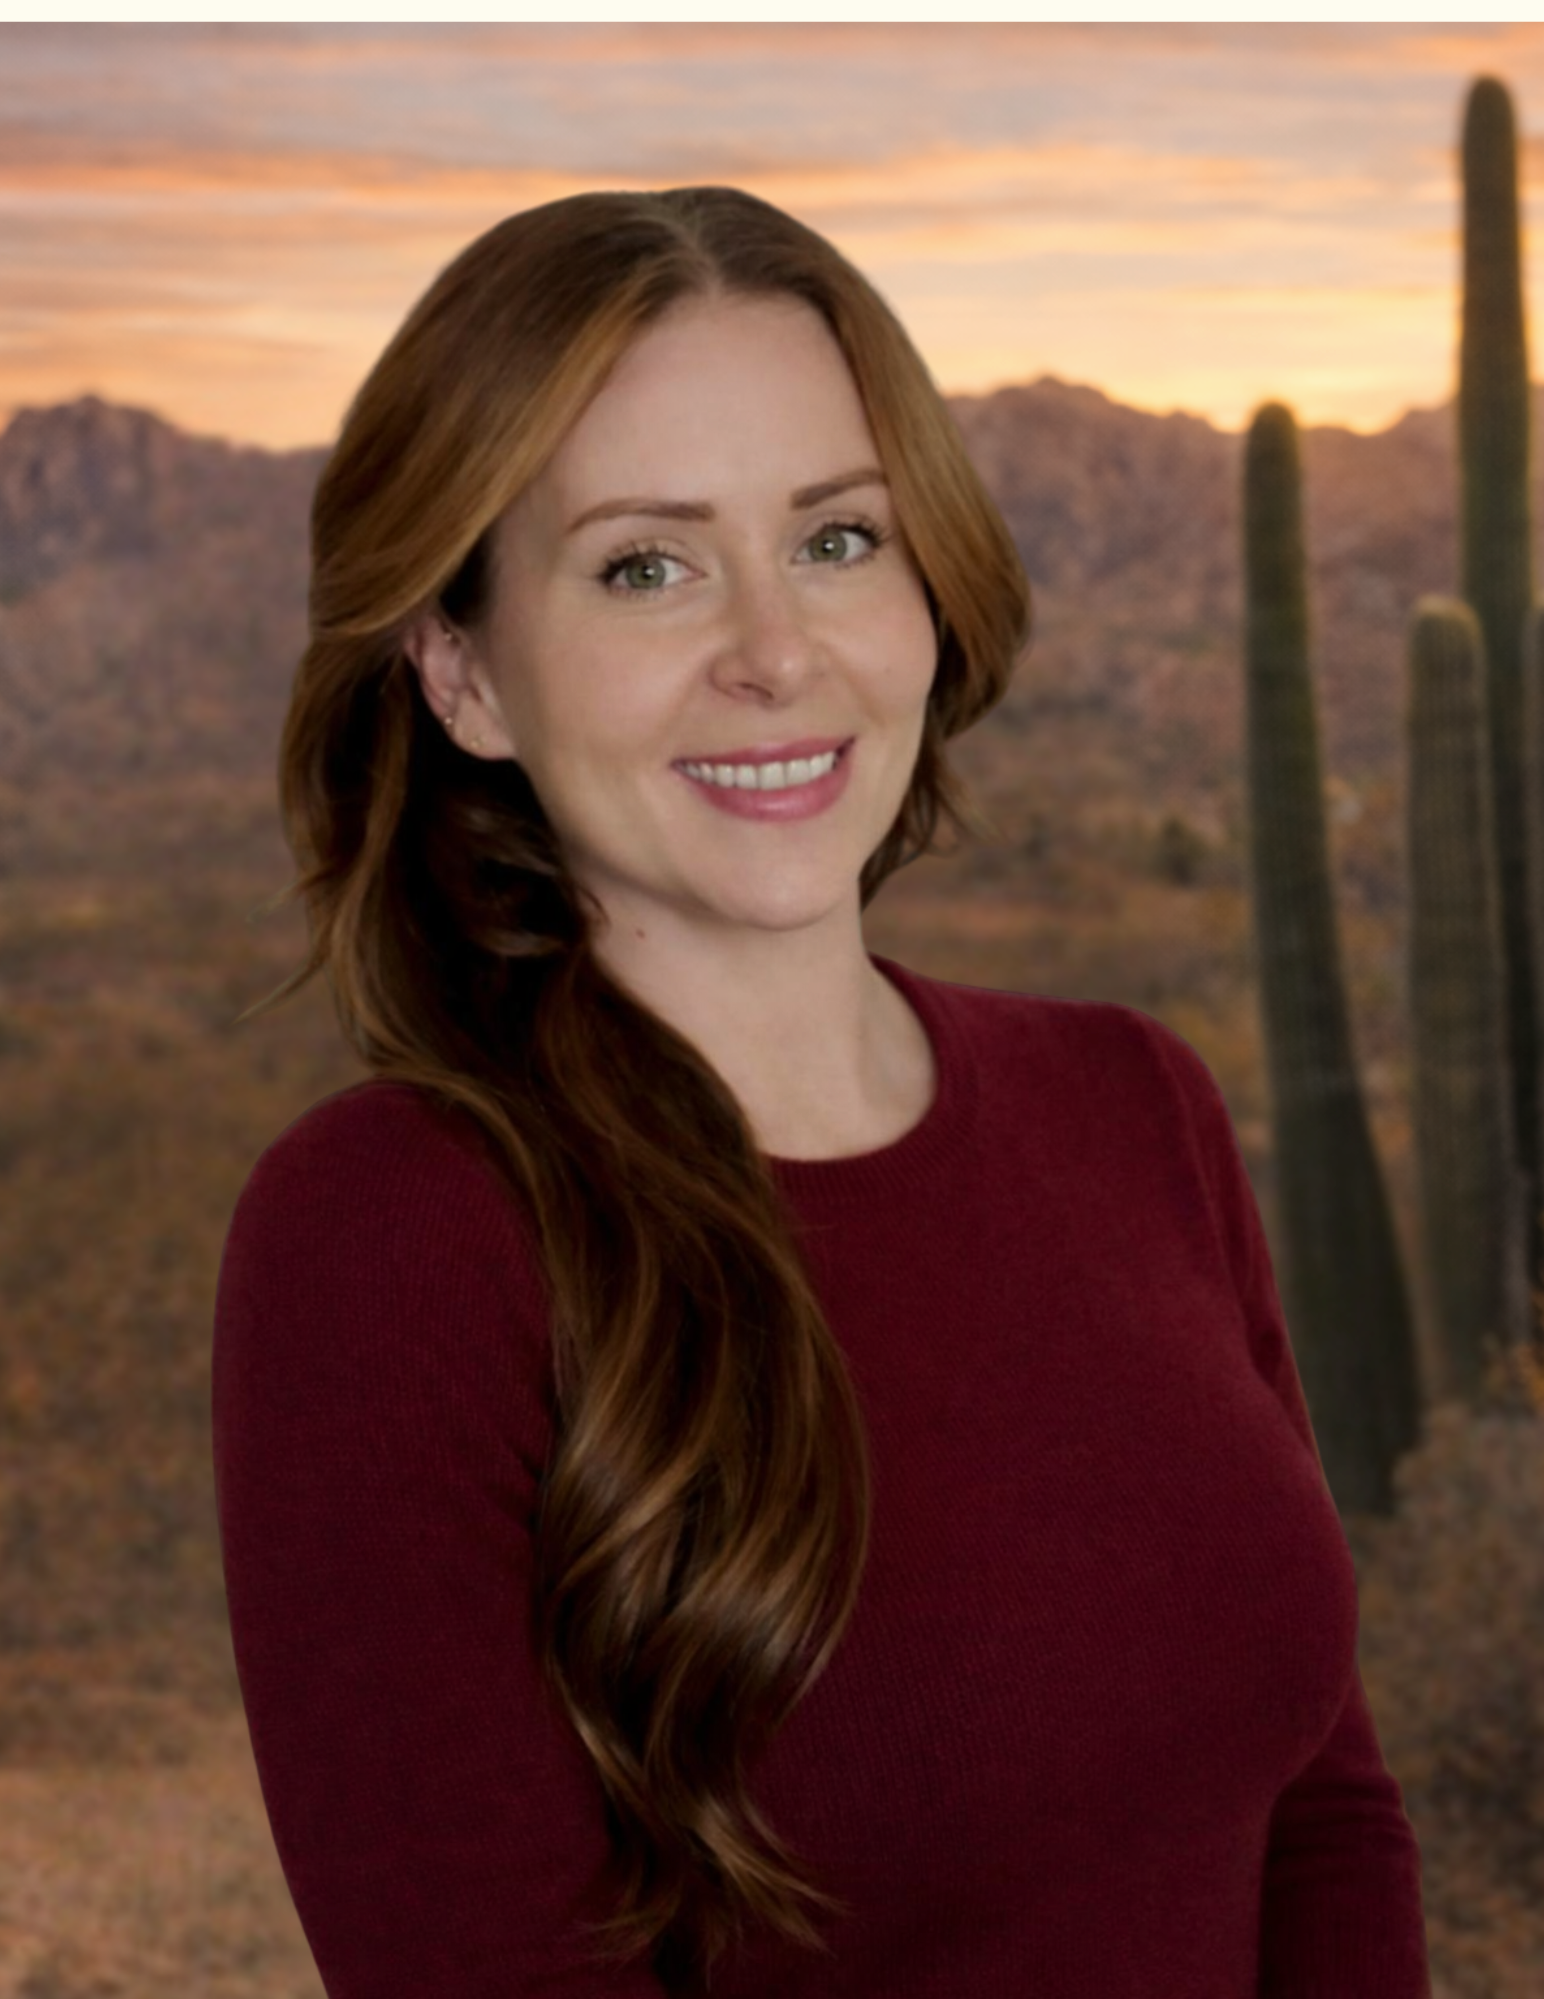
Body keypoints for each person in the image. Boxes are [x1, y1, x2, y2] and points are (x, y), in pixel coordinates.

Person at [210, 185, 1431, 1997]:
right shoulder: (394, 1243)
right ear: (461, 671)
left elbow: (1321, 1812)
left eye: (839, 540)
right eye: (647, 563)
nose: (774, 652)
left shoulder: (1134, 1104)